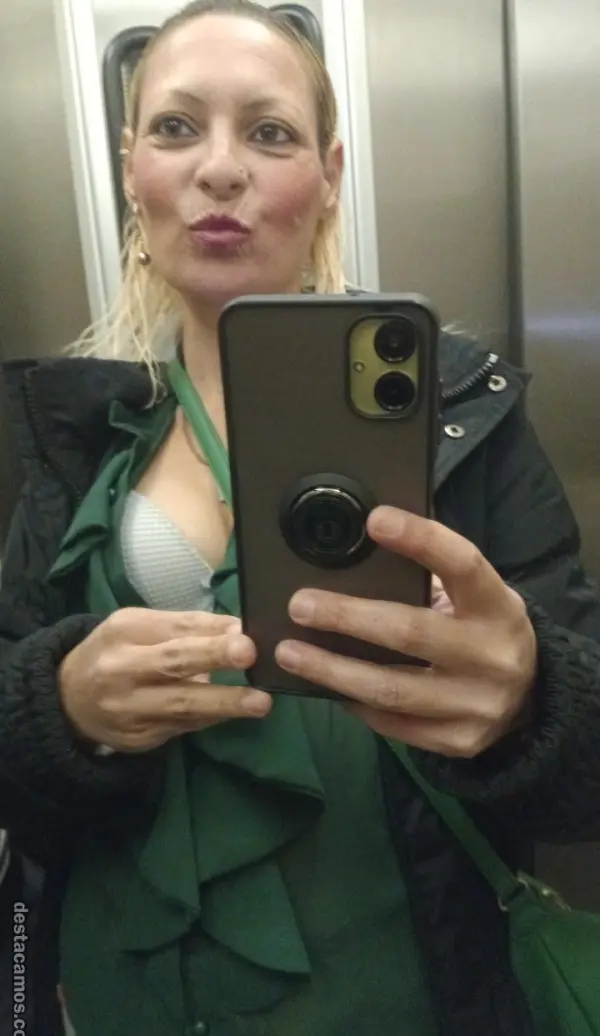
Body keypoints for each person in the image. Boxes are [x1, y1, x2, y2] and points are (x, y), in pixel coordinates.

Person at [2, 2, 600, 1034]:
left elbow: (588, 768)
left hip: (405, 990)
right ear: (131, 169)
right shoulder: (80, 435)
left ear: (328, 176)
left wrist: (528, 704)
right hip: (121, 991)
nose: (219, 169)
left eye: (269, 132)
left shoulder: (463, 415)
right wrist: (58, 709)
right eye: (176, 127)